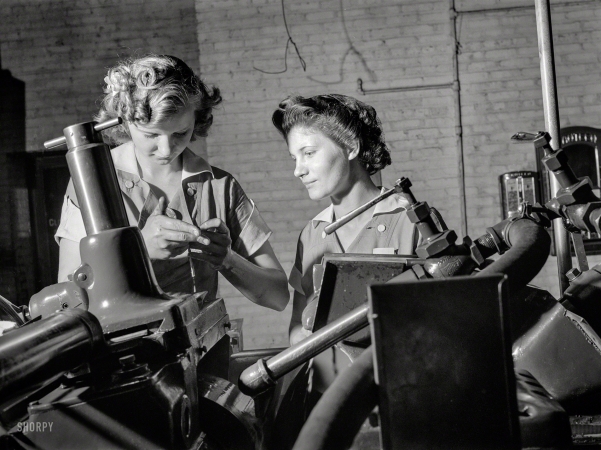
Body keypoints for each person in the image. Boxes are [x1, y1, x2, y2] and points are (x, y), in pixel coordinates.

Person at [55, 54, 289, 311]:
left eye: (181, 133)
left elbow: (278, 296)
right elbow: (66, 303)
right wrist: (139, 250)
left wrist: (228, 260)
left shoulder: (220, 187)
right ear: (124, 121)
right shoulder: (92, 184)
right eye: (151, 134)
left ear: (197, 119)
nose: (166, 149)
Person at [272, 93, 418, 345]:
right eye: (294, 158)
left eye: (308, 153)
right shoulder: (312, 234)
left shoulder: (411, 220)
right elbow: (297, 324)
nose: (298, 170)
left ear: (351, 146)